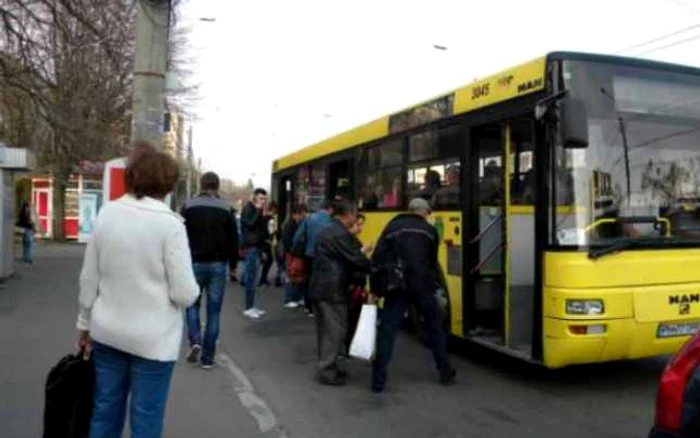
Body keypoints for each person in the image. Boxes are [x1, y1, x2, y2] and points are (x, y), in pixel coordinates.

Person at [75, 143, 200, 437]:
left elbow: (88, 278)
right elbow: (184, 293)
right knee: (145, 421)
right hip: (153, 343)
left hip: (106, 333)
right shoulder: (170, 225)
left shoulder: (107, 213)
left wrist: (83, 323)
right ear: (168, 183)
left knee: (104, 413)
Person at [371, 198, 456, 393]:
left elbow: (379, 258)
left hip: (397, 286)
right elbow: (432, 262)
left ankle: (378, 379)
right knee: (435, 327)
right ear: (424, 212)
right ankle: (444, 371)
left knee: (388, 330)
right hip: (422, 286)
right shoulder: (430, 231)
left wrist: (375, 289)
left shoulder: (392, 227)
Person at [180, 172, 239, 369]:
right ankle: (207, 359)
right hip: (217, 265)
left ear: (201, 185)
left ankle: (195, 339)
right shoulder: (226, 209)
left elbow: (179, 236)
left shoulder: (188, 206)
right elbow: (233, 240)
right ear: (217, 186)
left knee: (192, 305)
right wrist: (233, 267)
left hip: (193, 264)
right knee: (214, 312)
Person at [310, 198, 370, 385]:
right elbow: (357, 259)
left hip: (322, 286)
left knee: (328, 330)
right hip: (332, 288)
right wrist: (369, 259)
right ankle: (328, 370)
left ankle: (330, 366)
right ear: (348, 215)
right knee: (335, 330)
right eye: (355, 213)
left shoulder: (329, 229)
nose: (356, 218)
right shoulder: (339, 233)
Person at [292, 199, 333, 316]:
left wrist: (294, 249)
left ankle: (308, 307)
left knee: (309, 280)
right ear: (329, 209)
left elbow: (298, 236)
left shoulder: (309, 218)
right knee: (323, 280)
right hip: (324, 255)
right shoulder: (331, 220)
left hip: (309, 254)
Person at [240, 188, 269, 319]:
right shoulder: (249, 208)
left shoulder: (259, 210)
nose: (263, 201)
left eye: (265, 199)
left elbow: (261, 230)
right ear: (255, 198)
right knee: (251, 278)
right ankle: (248, 307)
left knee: (253, 277)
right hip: (251, 247)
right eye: (261, 198)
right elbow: (250, 224)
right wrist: (258, 210)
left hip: (256, 247)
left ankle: (251, 305)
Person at [346, 213, 372, 354]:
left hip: (356, 285)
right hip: (352, 286)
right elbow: (352, 262)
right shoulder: (348, 241)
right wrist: (363, 251)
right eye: (359, 224)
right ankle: (347, 347)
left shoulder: (352, 239)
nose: (361, 227)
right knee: (351, 319)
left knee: (352, 319)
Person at [281, 204, 308, 308]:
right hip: (292, 254)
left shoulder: (297, 224)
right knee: (291, 276)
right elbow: (287, 241)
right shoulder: (290, 226)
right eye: (300, 214)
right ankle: (289, 299)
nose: (302, 217)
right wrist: (292, 251)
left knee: (298, 276)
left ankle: (296, 297)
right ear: (294, 215)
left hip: (296, 254)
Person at [258, 202, 277, 287]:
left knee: (265, 260)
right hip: (267, 242)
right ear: (273, 209)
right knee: (269, 261)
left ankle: (262, 279)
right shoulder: (271, 219)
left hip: (262, 241)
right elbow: (271, 231)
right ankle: (263, 279)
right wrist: (270, 239)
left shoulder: (263, 217)